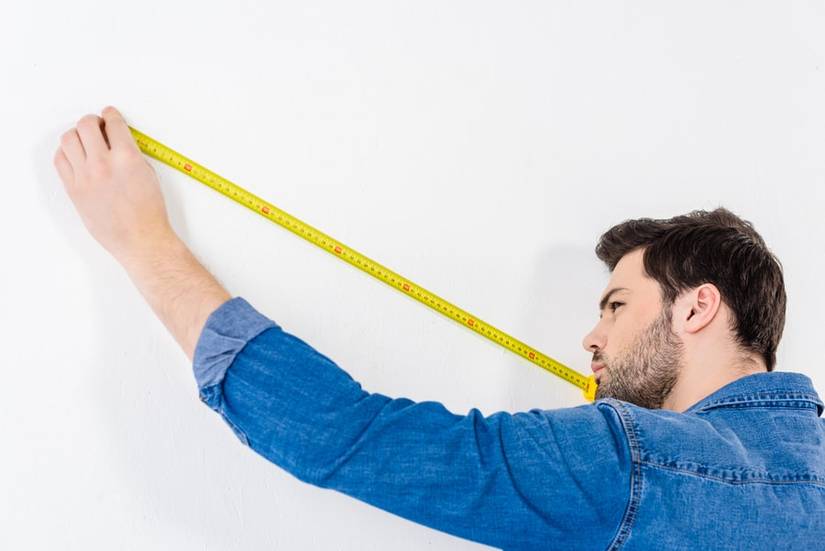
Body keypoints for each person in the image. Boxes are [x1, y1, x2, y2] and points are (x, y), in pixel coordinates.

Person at [54, 106, 825, 551]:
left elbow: (347, 436)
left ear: (696, 307)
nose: (589, 341)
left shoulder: (629, 457)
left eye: (615, 306)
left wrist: (144, 243)